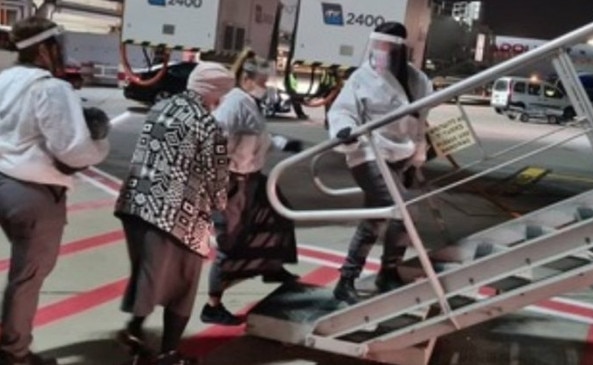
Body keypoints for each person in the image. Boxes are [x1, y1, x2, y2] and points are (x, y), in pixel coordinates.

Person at [0, 17, 110, 365]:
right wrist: (99, 137)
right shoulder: (50, 88)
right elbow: (73, 151)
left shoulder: (3, 80)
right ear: (46, 49)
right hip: (32, 194)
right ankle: (14, 353)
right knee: (27, 277)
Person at [113, 61, 234, 365]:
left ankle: (135, 331)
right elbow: (218, 179)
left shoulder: (162, 107)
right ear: (214, 93)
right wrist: (221, 207)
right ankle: (168, 352)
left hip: (135, 206)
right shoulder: (208, 125)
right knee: (183, 283)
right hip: (176, 216)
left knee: (149, 274)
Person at [327, 22, 433, 304]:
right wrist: (343, 131)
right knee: (404, 207)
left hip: (399, 155)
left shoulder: (418, 80)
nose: (380, 52)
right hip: (367, 152)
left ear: (400, 50)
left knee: (374, 220)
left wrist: (418, 153)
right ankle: (387, 270)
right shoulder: (361, 77)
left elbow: (419, 121)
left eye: (386, 47)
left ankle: (346, 280)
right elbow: (343, 110)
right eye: (377, 46)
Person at [200, 50, 302, 325]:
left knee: (279, 214)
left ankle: (272, 265)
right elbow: (216, 142)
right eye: (261, 80)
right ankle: (213, 305)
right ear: (246, 78)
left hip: (254, 178)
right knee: (229, 241)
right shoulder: (234, 104)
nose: (265, 85)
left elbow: (257, 135)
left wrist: (282, 143)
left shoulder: (249, 102)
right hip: (235, 181)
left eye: (267, 80)